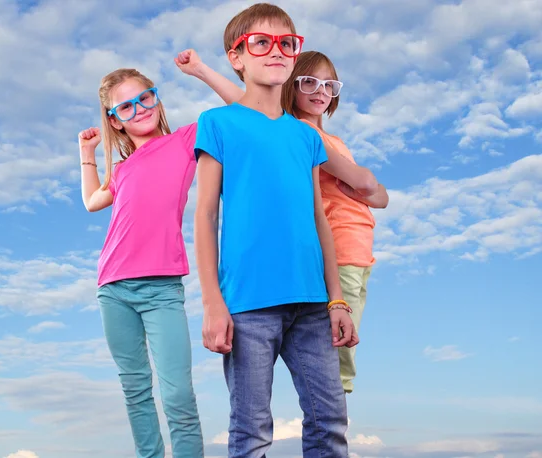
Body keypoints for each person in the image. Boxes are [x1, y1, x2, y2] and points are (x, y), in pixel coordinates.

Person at [191, 3, 358, 457]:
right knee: (251, 431)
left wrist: (337, 298)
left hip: (312, 306)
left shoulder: (305, 137)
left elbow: (318, 219)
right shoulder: (218, 122)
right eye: (261, 42)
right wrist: (212, 303)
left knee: (329, 422)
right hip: (247, 306)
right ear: (236, 57)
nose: (277, 51)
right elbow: (206, 215)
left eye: (287, 42)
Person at [77, 51, 242, 458]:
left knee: (178, 394)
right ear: (115, 118)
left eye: (146, 98)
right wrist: (87, 155)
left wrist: (201, 70)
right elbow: (91, 202)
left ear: (157, 99)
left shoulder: (185, 141)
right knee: (135, 390)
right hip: (112, 288)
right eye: (127, 106)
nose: (140, 110)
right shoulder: (123, 168)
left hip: (162, 289)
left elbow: (245, 108)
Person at [282, 51, 389, 393]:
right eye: (309, 81)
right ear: (290, 86)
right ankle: (332, 403)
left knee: (349, 340)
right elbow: (368, 185)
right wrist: (365, 185)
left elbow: (381, 196)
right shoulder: (303, 132)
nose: (321, 90)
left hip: (361, 250)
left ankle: (335, 400)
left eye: (329, 84)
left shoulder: (333, 140)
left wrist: (366, 185)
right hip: (340, 246)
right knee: (340, 346)